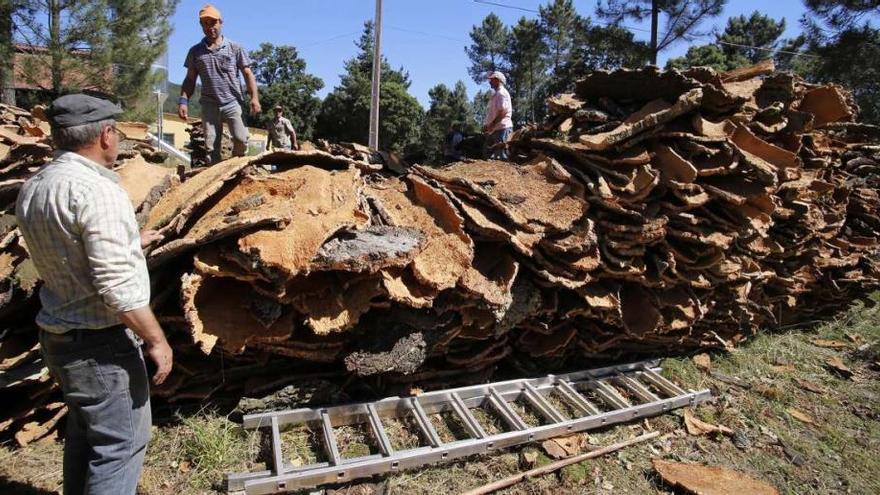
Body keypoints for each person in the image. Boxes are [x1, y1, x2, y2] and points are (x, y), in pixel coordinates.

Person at [16, 94, 173, 495]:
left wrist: (129, 242)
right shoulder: (97, 190)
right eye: (116, 132)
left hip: (59, 337)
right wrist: (157, 340)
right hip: (100, 346)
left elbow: (70, 249)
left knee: (87, 436)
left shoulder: (37, 185)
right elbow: (116, 286)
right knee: (121, 445)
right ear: (106, 135)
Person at [178, 4, 261, 164]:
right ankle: (215, 179)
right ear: (201, 26)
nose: (210, 28)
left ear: (220, 23)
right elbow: (190, 79)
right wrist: (183, 101)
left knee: (241, 139)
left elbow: (247, 73)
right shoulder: (195, 52)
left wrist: (254, 98)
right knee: (211, 147)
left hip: (232, 101)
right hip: (209, 104)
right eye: (205, 24)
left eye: (213, 23)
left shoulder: (235, 48)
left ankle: (236, 167)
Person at [482, 71, 513, 160]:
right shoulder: (496, 94)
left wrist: (491, 124)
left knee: (502, 156)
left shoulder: (501, 93)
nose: (490, 82)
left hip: (502, 128)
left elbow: (502, 112)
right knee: (492, 154)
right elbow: (493, 112)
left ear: (497, 80)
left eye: (492, 80)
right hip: (496, 128)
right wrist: (488, 125)